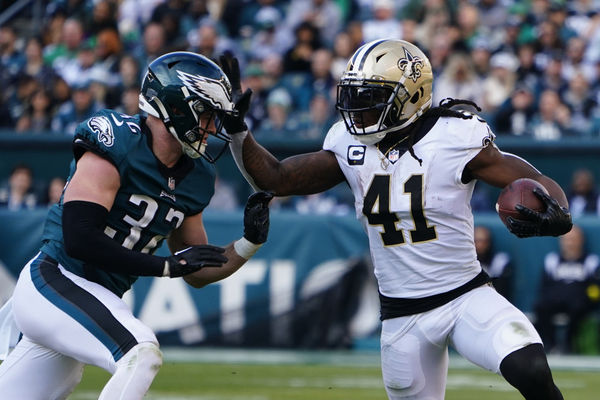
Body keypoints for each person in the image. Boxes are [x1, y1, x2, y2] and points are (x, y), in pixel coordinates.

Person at [221, 39, 572, 399]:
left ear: (410, 96)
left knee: (529, 367)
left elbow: (536, 180)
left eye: (370, 96)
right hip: (402, 314)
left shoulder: (454, 137)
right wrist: (237, 132)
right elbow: (276, 178)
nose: (358, 108)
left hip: (465, 296)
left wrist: (558, 211)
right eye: (355, 95)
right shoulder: (348, 144)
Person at [0, 51, 273, 400]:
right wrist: (163, 267)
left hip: (92, 299)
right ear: (176, 107)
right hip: (56, 280)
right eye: (206, 115)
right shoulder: (118, 142)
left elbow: (195, 268)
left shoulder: (197, 176)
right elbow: (79, 237)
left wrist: (249, 243)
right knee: (140, 352)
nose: (211, 128)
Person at [534, 225, 600, 353]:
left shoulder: (591, 261)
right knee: (541, 306)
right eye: (567, 240)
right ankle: (550, 344)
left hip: (579, 302)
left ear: (581, 241)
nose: (570, 243)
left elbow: (595, 288)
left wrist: (590, 299)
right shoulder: (552, 260)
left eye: (573, 239)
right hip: (556, 299)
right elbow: (544, 287)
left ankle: (569, 345)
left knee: (578, 307)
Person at [474, 225, 514, 303]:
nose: (480, 245)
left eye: (484, 241)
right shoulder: (466, 265)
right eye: (477, 241)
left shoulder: (500, 262)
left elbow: (504, 290)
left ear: (489, 242)